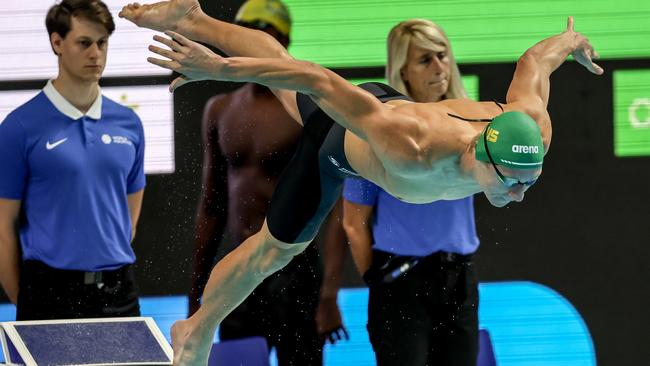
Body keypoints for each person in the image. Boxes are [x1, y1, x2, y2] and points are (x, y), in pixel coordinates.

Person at [119, 1, 602, 363]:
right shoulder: (411, 146)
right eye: (511, 183)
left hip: (385, 109)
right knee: (273, 249)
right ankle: (196, 330)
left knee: (288, 89)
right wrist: (219, 70)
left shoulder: (532, 128)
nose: (518, 195)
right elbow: (318, 80)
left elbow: (535, 63)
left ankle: (195, 17)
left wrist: (572, 40)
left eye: (527, 184)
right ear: (481, 153)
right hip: (342, 141)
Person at [189, 1, 347, 364]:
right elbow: (212, 207)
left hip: (295, 269)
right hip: (238, 270)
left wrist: (328, 295)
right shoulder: (220, 109)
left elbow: (338, 207)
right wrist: (196, 294)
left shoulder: (308, 107)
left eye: (257, 33)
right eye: (240, 33)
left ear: (280, 39)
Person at [342, 19, 480, 366]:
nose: (439, 68)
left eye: (442, 55)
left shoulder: (474, 123)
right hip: (401, 283)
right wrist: (378, 280)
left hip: (459, 280)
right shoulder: (381, 131)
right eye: (425, 60)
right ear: (402, 70)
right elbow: (353, 222)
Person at [0, 0, 146, 320]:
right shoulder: (19, 127)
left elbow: (128, 220)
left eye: (102, 43)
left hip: (119, 293)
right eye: (84, 43)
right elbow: (3, 228)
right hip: (48, 294)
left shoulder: (129, 124)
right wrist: (26, 303)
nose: (95, 54)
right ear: (57, 43)